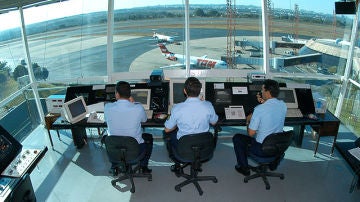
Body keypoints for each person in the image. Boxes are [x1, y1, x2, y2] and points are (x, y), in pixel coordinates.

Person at [232, 79, 287, 176]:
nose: (261, 92)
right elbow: (271, 110)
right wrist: (264, 103)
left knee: (237, 138)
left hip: (261, 149)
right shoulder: (283, 105)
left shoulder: (259, 109)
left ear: (267, 91)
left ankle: (244, 168)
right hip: (277, 147)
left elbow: (251, 133)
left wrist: (248, 120)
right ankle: (273, 162)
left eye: (262, 90)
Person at [163, 77, 218, 172]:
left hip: (184, 147)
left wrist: (177, 124)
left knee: (167, 134)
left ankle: (177, 162)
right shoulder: (208, 105)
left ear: (185, 91)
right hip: (203, 147)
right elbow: (214, 122)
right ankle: (196, 161)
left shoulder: (177, 108)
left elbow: (167, 129)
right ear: (200, 90)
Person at [104, 81, 153, 175]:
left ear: (117, 94)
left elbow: (106, 120)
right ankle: (143, 166)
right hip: (135, 150)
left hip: (114, 150)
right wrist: (133, 103)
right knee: (148, 138)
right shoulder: (138, 108)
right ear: (130, 94)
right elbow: (144, 120)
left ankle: (114, 166)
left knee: (108, 138)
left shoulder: (107, 107)